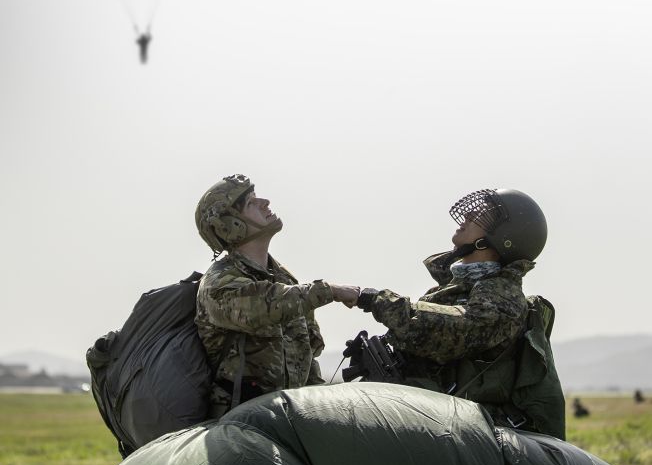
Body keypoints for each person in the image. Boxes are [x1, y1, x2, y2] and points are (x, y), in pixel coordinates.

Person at [354, 187, 565, 436]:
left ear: (502, 237)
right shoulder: (456, 289)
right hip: (440, 428)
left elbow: (454, 329)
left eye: (484, 215)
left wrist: (371, 299)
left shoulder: (503, 297)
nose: (468, 216)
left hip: (464, 436)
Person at [195, 174, 359, 415]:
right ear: (228, 225)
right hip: (240, 425)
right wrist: (330, 291)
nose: (265, 202)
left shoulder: (285, 281)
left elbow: (307, 361)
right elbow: (264, 305)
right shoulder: (219, 283)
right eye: (251, 202)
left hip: (287, 420)